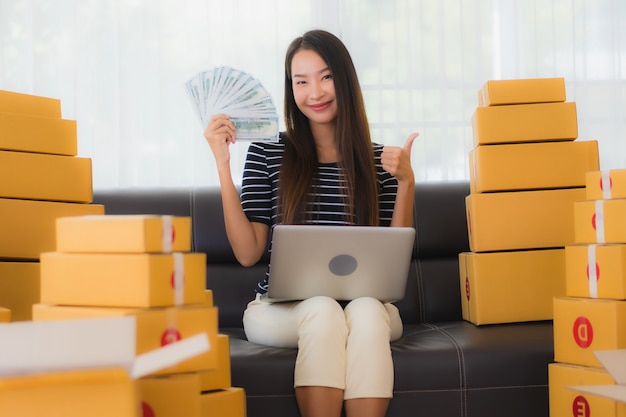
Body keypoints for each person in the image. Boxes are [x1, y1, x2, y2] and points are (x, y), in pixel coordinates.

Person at [203, 29, 418, 417]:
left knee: (367, 309)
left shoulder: (380, 160)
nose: (314, 92)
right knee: (322, 308)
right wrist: (222, 165)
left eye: (325, 77)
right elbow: (249, 253)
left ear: (345, 80)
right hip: (279, 310)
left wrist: (406, 182)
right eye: (301, 81)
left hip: (364, 308)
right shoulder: (267, 154)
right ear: (291, 89)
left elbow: (392, 264)